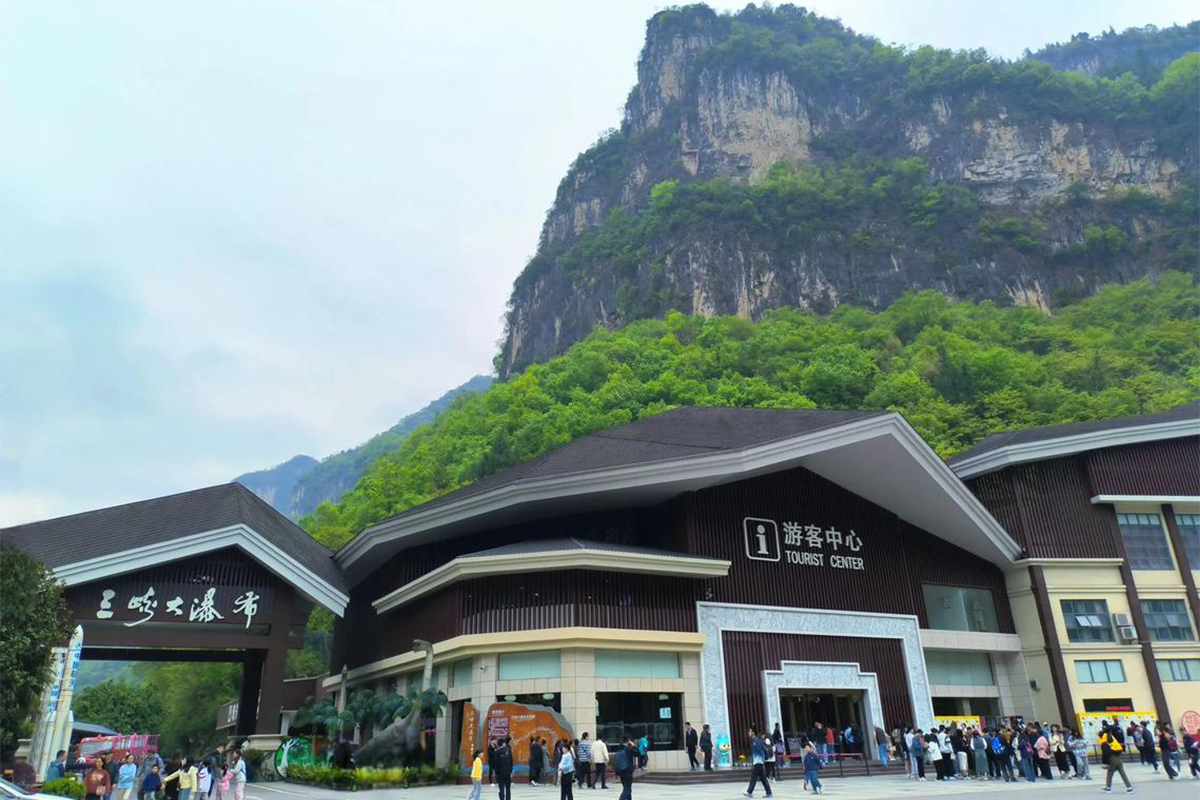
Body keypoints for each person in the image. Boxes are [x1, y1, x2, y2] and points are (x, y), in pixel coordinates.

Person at [1098, 723, 1132, 793]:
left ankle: (1108, 787)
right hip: (1118, 756)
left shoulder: (1104, 738)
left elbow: (1105, 752)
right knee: (1122, 772)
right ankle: (1129, 787)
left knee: (1110, 772)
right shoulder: (1111, 736)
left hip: (1112, 758)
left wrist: (1106, 762)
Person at [743, 726, 772, 799]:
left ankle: (749, 792)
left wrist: (762, 758)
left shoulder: (756, 741)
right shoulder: (755, 740)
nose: (748, 733)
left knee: (754, 777)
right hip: (758, 762)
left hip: (758, 762)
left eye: (750, 731)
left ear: (753, 732)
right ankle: (769, 793)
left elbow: (760, 751)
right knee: (763, 778)